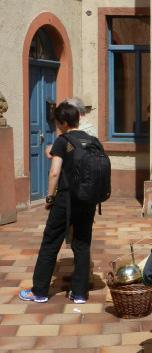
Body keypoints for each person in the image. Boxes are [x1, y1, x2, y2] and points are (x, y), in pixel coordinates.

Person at [20, 102, 100, 304]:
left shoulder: (63, 141)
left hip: (66, 199)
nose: (57, 126)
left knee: (50, 243)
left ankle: (39, 291)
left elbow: (55, 172)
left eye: (57, 123)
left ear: (64, 122)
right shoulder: (91, 140)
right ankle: (79, 293)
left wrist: (49, 198)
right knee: (81, 244)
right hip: (88, 199)